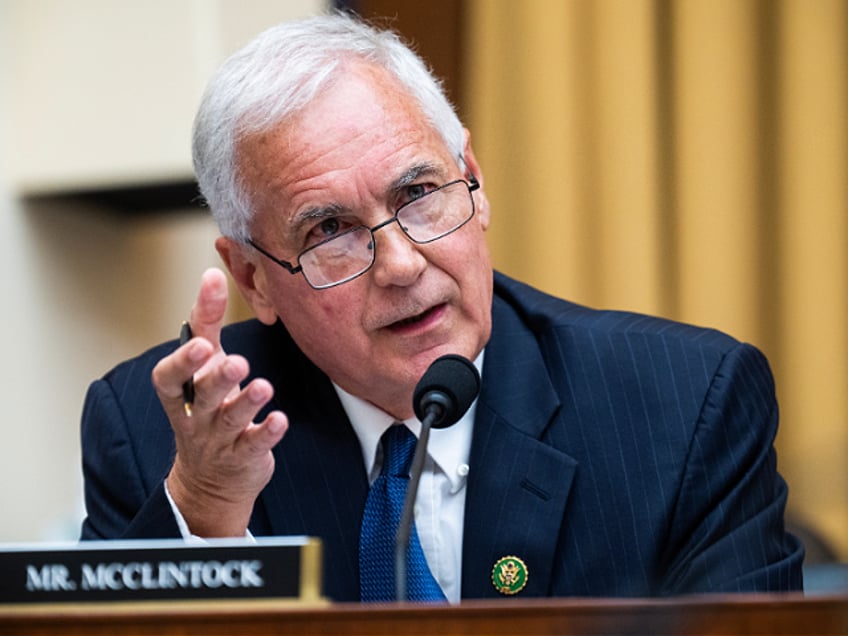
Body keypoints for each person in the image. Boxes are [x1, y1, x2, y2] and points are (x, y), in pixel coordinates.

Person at [79, 12, 804, 602]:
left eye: (420, 196)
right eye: (329, 230)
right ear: (253, 277)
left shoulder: (682, 408)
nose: (400, 265)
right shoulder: (161, 439)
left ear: (476, 183)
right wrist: (206, 519)